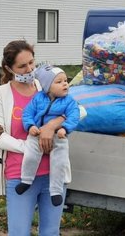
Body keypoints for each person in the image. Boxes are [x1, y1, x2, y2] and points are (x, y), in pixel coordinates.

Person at [0, 40, 69, 236]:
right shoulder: (2, 94)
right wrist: (30, 146)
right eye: (22, 66)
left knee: (51, 232)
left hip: (53, 175)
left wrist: (50, 126)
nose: (30, 69)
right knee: (19, 233)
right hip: (19, 176)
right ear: (9, 68)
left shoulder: (47, 86)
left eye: (32, 62)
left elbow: (75, 110)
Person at [15, 64, 80, 207]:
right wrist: (30, 125)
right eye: (59, 82)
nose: (65, 84)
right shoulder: (38, 98)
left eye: (65, 81)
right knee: (30, 155)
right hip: (37, 134)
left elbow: (74, 115)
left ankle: (56, 190)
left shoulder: (69, 101)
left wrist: (65, 128)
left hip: (59, 137)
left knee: (59, 162)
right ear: (47, 87)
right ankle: (26, 180)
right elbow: (27, 113)